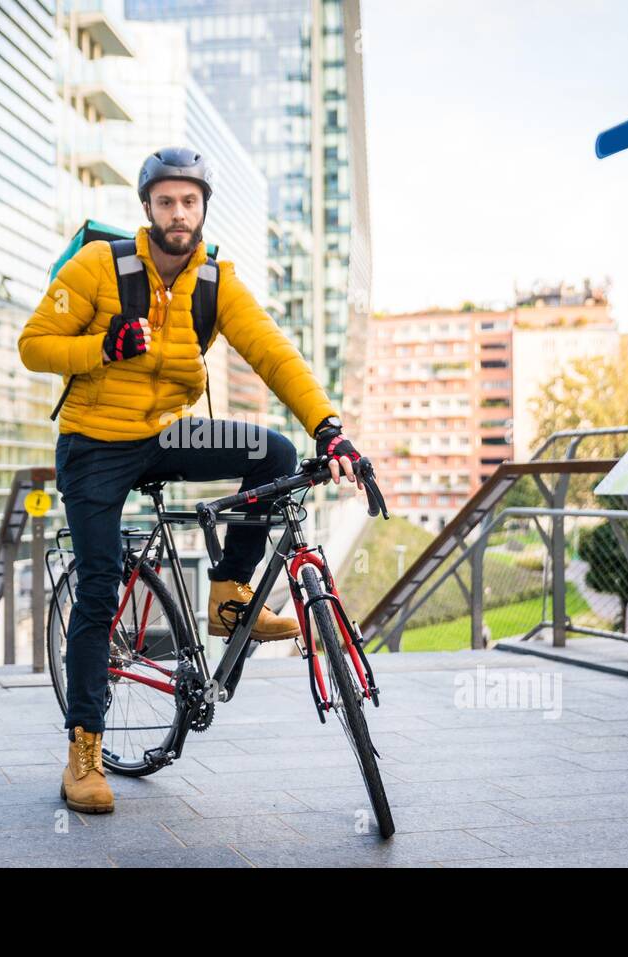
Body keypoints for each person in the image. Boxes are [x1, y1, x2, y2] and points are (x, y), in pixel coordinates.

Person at [19, 146, 367, 814]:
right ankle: (83, 752)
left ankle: (229, 597)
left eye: (190, 201)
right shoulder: (101, 268)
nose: (178, 213)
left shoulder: (214, 282)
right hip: (93, 445)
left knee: (272, 452)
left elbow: (271, 351)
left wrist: (329, 425)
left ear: (204, 207)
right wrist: (102, 347)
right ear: (147, 208)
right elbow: (34, 344)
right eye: (166, 201)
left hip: (160, 436)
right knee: (98, 589)